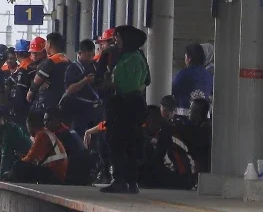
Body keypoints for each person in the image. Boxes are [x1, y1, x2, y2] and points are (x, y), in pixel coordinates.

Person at [101, 25, 150, 193]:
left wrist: (112, 84)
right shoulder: (121, 56)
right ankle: (128, 181)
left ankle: (122, 180)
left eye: (119, 38)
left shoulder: (134, 57)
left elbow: (133, 84)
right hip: (122, 104)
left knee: (121, 143)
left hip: (127, 105)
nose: (116, 41)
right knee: (125, 143)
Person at [139, 106, 197, 190]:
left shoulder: (167, 134)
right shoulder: (153, 133)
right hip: (177, 175)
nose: (151, 122)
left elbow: (158, 159)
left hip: (180, 176)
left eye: (155, 118)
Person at [8, 112, 68, 184]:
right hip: (56, 173)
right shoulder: (45, 133)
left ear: (29, 124)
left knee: (18, 166)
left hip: (55, 175)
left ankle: (6, 179)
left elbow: (29, 158)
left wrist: (20, 161)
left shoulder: (42, 135)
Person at [61, 39, 104, 135]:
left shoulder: (95, 66)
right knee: (80, 137)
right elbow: (69, 90)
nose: (90, 58)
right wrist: (84, 81)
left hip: (95, 110)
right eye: (88, 56)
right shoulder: (72, 68)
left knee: (96, 137)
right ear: (80, 53)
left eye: (92, 55)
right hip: (79, 110)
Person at [43, 109, 93, 185]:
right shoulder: (68, 131)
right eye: (44, 120)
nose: (45, 123)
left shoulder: (62, 135)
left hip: (74, 176)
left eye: (49, 120)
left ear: (58, 120)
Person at [29, 33, 69, 117]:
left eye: (46, 43)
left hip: (48, 103)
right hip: (63, 101)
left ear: (50, 44)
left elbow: (37, 80)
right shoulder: (67, 60)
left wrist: (30, 92)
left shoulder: (50, 61)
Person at [170, 43, 213, 118]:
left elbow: (171, 91)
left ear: (189, 58)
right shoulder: (208, 75)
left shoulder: (183, 74)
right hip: (204, 118)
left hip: (185, 117)